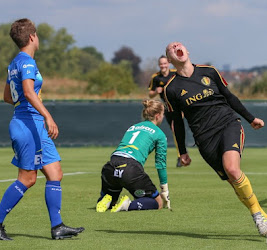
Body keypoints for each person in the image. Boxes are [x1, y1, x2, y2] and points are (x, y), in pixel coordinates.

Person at [164, 41, 267, 239]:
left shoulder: (209, 71)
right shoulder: (171, 88)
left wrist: (250, 119)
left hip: (227, 124)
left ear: (187, 51)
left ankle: (259, 217)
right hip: (205, 138)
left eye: (178, 45)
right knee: (234, 181)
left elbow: (229, 96)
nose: (176, 47)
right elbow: (177, 123)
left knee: (232, 169)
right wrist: (182, 151)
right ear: (170, 59)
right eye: (171, 48)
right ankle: (259, 214)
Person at [0, 18, 84, 240]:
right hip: (29, 126)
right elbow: (27, 92)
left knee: (55, 172)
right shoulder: (27, 62)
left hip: (30, 123)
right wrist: (47, 116)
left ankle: (57, 227)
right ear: (31, 37)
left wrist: (31, 108)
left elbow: (7, 96)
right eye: (36, 34)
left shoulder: (14, 62)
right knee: (27, 178)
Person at [96, 99, 171, 213]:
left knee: (111, 197)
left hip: (110, 166)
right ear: (157, 115)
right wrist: (164, 190)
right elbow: (160, 164)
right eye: (163, 114)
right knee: (157, 203)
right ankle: (128, 205)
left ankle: (106, 199)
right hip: (130, 168)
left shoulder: (133, 127)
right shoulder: (159, 134)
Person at [148, 55, 182, 167]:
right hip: (166, 107)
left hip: (179, 105)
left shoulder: (175, 74)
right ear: (159, 65)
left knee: (176, 127)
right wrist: (156, 91)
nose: (163, 65)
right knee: (173, 129)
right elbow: (150, 94)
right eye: (161, 64)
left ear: (168, 63)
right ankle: (180, 155)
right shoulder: (156, 77)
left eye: (165, 63)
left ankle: (181, 155)